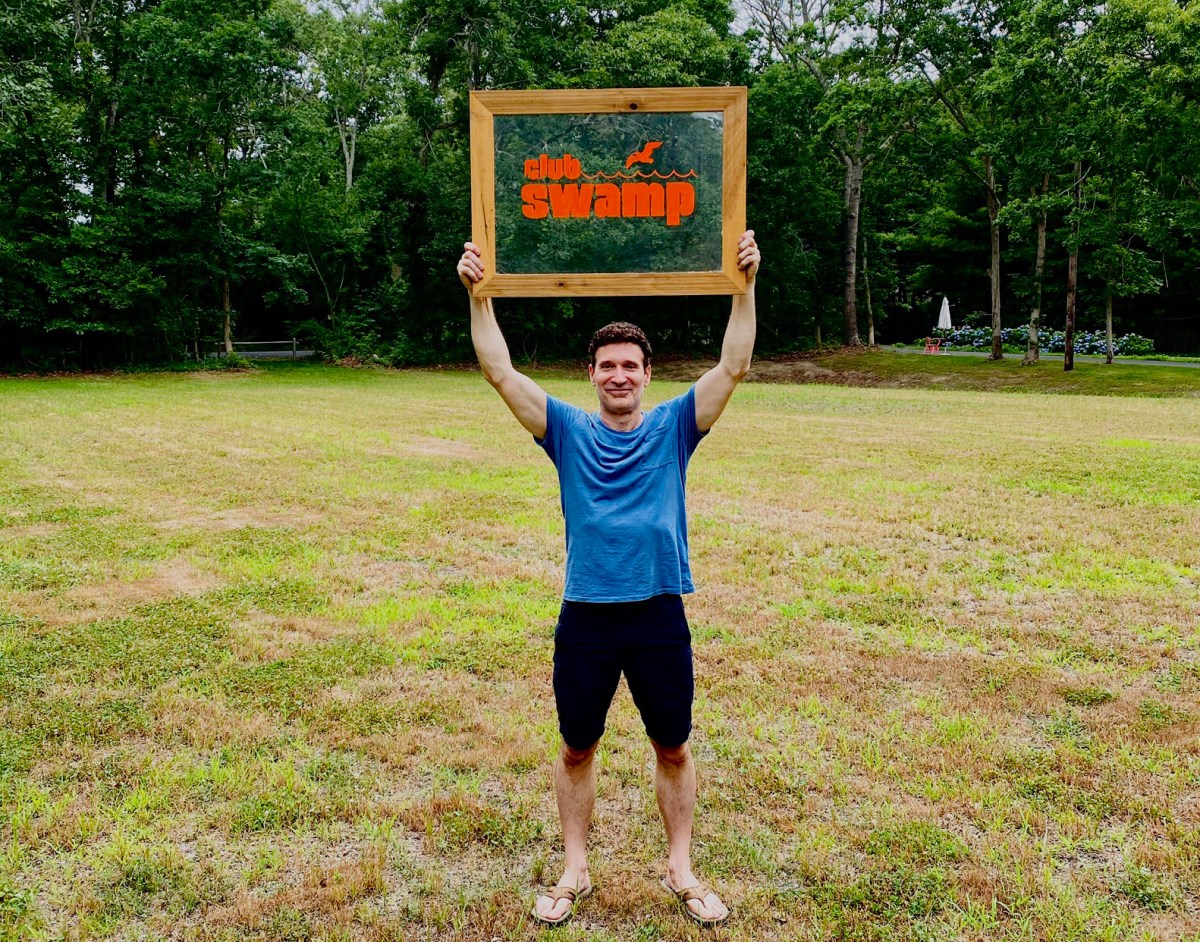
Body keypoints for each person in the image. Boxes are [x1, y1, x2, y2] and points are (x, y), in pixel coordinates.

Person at [456, 230, 760, 928]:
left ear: (647, 374)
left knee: (674, 744)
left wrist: (744, 286)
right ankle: (575, 868)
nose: (619, 375)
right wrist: (480, 299)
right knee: (576, 745)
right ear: (590, 374)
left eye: (630, 365)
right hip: (587, 615)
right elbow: (500, 372)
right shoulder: (564, 430)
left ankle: (680, 867)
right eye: (607, 365)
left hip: (657, 613)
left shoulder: (676, 426)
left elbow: (735, 364)